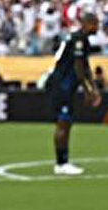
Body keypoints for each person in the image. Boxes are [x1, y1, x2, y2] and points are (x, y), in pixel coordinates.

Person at [44, 10, 102, 175]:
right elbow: (78, 67)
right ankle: (61, 163)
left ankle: (63, 161)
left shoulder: (80, 39)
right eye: (95, 24)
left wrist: (93, 87)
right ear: (86, 24)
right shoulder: (78, 40)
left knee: (66, 122)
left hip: (64, 86)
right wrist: (87, 90)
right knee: (63, 123)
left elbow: (86, 66)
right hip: (61, 86)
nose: (97, 27)